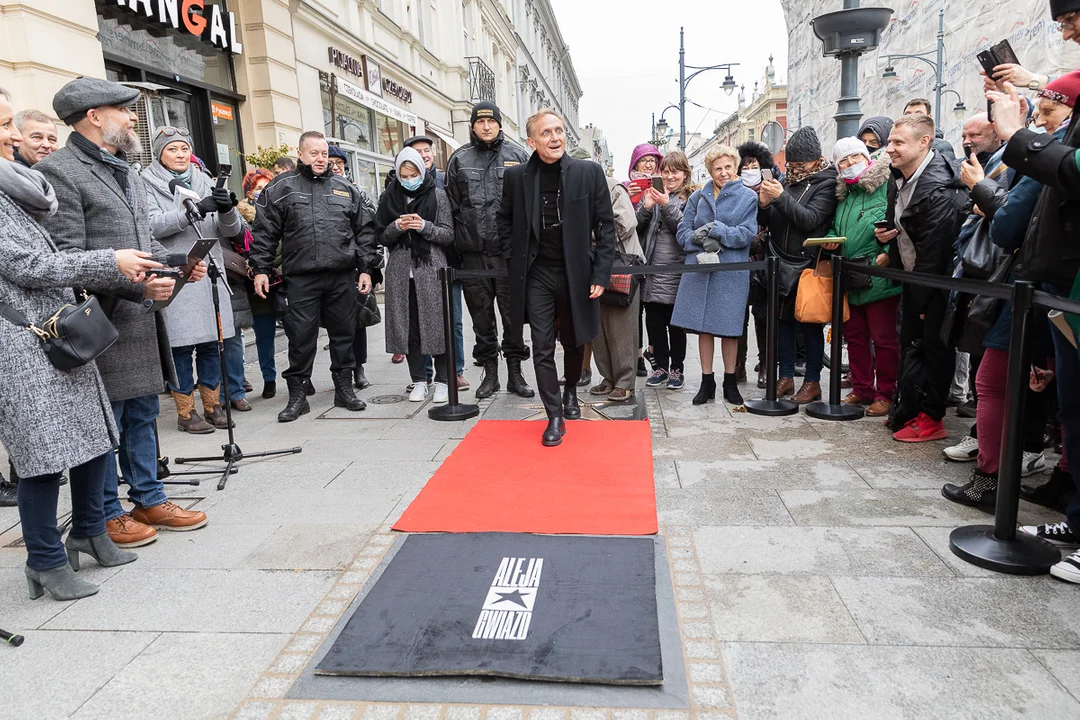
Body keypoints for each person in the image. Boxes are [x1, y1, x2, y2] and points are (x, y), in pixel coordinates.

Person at [0, 89, 167, 599]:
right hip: (22, 338)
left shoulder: (17, 185)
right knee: (43, 457)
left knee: (95, 437)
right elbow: (24, 266)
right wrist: (109, 262)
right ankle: (46, 561)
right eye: (5, 124)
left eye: (10, 122)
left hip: (58, 327)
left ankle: (91, 531)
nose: (12, 134)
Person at [37, 77, 209, 548]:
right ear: (94, 116)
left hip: (138, 317)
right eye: (123, 109)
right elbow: (66, 258)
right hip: (98, 321)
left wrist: (177, 267)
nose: (132, 118)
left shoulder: (124, 168)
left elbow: (143, 241)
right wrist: (137, 286)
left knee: (142, 412)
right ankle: (106, 512)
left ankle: (148, 497)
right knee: (105, 421)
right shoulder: (60, 170)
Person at [985, 7, 1080, 581]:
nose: (1067, 31)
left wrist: (1016, 136)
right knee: (1074, 408)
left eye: (1073, 16)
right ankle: (1077, 518)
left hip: (1071, 284)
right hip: (1058, 284)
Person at [940, 118, 1062, 508]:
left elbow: (1008, 223)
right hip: (1042, 285)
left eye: (1047, 110)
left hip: (1032, 285)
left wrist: (981, 187)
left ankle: (989, 478)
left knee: (992, 379)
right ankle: (1061, 481)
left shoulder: (1041, 162)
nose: (1039, 121)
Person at [499, 109, 616, 447]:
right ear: (531, 141)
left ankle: (569, 393)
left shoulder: (588, 173)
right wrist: (513, 256)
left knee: (575, 339)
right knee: (542, 345)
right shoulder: (516, 177)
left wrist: (600, 272)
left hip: (575, 272)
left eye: (559, 131)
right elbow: (504, 220)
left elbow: (605, 227)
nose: (555, 138)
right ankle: (554, 416)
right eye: (546, 133)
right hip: (536, 273)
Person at [251, 131, 377, 421]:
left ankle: (344, 390)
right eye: (314, 153)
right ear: (301, 155)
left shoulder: (345, 188)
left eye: (324, 154)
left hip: (341, 275)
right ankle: (298, 396)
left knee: (344, 335)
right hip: (301, 277)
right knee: (300, 336)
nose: (320, 159)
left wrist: (366, 268)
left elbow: (364, 231)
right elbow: (264, 232)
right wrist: (260, 270)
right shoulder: (281, 188)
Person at [142, 126, 241, 433]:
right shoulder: (145, 182)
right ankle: (186, 411)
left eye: (184, 148)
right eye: (172, 149)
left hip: (209, 273)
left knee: (213, 343)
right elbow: (150, 225)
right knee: (181, 347)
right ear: (160, 153)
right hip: (177, 274)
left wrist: (227, 210)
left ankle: (212, 405)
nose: (180, 154)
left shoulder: (205, 180)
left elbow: (231, 231)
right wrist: (193, 210)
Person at [878, 113, 968, 442]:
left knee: (934, 348)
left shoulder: (940, 189)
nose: (890, 148)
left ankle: (931, 417)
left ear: (923, 142)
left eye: (898, 142)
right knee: (912, 345)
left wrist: (921, 299)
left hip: (938, 285)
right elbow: (899, 226)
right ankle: (907, 410)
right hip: (914, 278)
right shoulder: (897, 177)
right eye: (890, 141)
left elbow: (936, 254)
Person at [447, 101, 533, 399]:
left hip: (508, 257)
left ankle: (515, 374)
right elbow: (452, 207)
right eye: (480, 122)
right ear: (473, 126)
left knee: (513, 319)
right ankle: (490, 375)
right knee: (482, 321)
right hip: (473, 256)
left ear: (499, 124)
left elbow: (529, 207)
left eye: (491, 122)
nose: (486, 127)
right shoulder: (459, 159)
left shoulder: (518, 156)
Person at [672, 145, 758, 406]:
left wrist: (719, 231)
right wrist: (696, 239)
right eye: (718, 168)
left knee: (730, 329)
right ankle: (706, 381)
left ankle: (730, 381)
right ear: (710, 171)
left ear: (736, 167)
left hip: (731, 271)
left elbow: (746, 234)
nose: (723, 172)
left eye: (728, 167)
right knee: (703, 328)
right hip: (700, 268)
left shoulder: (747, 197)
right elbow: (682, 232)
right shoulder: (698, 197)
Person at [760, 126, 838, 404]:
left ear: (816, 160)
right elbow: (769, 220)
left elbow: (809, 220)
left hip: (807, 265)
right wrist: (765, 202)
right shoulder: (788, 181)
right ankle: (786, 377)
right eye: (789, 164)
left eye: (799, 164)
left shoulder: (827, 183)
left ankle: (813, 381)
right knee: (783, 324)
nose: (793, 169)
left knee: (809, 326)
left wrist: (780, 197)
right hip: (779, 261)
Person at [824, 138, 899, 417]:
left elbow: (896, 224)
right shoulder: (844, 195)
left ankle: (886, 393)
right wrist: (831, 239)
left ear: (866, 157)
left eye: (853, 157)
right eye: (842, 162)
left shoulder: (885, 187)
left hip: (877, 275)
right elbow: (836, 226)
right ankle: (862, 387)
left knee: (883, 338)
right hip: (849, 275)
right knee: (854, 336)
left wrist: (887, 253)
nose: (848, 165)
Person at [377, 147, 455, 403]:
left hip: (431, 270)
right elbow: (381, 236)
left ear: (421, 171)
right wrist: (396, 226)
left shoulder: (438, 195)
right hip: (401, 272)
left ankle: (443, 380)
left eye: (413, 173)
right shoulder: (389, 197)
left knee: (437, 325)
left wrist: (424, 226)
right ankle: (419, 380)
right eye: (404, 174)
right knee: (409, 328)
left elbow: (448, 234)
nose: (409, 178)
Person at [404, 133, 468, 390]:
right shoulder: (398, 184)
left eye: (427, 150)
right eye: (417, 150)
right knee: (420, 321)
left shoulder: (444, 182)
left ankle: (456, 370)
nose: (424, 154)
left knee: (452, 320)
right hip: (416, 265)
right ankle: (424, 374)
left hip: (447, 261)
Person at [580, 148, 644, 402]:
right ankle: (607, 377)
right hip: (591, 265)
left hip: (621, 263)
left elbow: (624, 226)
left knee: (622, 325)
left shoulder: (612, 187)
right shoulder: (571, 191)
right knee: (599, 326)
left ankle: (625, 381)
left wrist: (587, 233)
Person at [637, 150, 693, 391]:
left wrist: (666, 204)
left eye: (675, 172)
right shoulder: (653, 195)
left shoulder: (690, 199)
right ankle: (659, 366)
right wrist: (647, 207)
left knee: (676, 325)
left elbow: (684, 230)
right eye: (666, 172)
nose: (670, 176)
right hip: (652, 268)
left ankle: (676, 368)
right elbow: (635, 227)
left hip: (676, 270)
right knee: (654, 323)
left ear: (685, 175)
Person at [736, 142, 781, 388]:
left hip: (765, 259)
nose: (750, 169)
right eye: (745, 166)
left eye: (755, 166)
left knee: (762, 315)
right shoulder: (734, 190)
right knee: (738, 315)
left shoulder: (772, 187)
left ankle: (765, 364)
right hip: (741, 259)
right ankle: (738, 365)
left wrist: (762, 238)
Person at [237, 168, 279, 400]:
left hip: (283, 282)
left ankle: (302, 377)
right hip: (257, 286)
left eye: (267, 188)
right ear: (249, 192)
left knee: (297, 333)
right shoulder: (241, 218)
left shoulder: (282, 211)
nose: (262, 193)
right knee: (264, 336)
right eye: (258, 189)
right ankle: (269, 379)